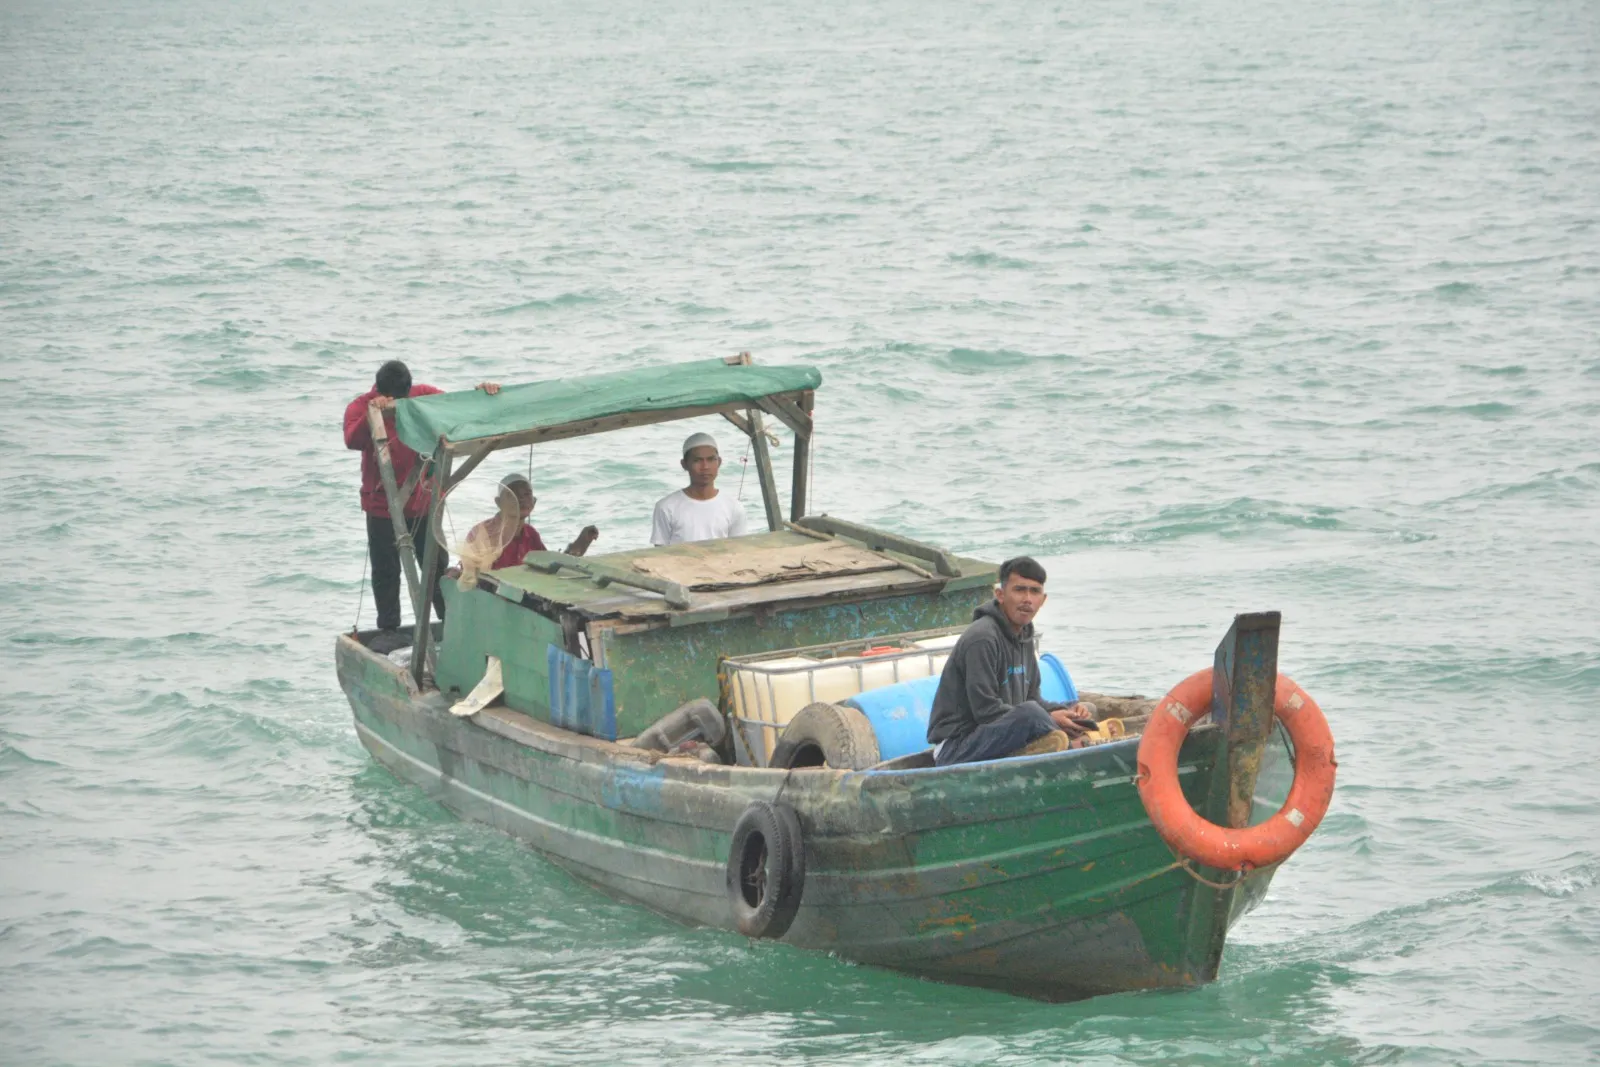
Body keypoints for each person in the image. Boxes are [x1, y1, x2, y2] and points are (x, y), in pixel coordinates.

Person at [344, 360, 499, 632]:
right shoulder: (362, 404)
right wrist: (374, 412)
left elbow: (455, 406)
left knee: (436, 569)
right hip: (382, 509)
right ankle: (389, 631)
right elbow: (351, 440)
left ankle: (449, 625)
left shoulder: (420, 394)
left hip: (424, 503)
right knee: (386, 574)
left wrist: (480, 392)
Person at [925, 556, 1097, 765]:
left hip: (1002, 733)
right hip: (957, 747)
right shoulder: (982, 638)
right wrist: (1049, 719)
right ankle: (1071, 747)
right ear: (1000, 595)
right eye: (1019, 590)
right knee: (1032, 715)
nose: (1027, 599)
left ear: (1043, 600)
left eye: (1034, 591)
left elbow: (1034, 699)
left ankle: (1064, 741)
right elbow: (986, 711)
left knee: (1086, 709)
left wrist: (1069, 711)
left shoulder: (1024, 637)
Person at [454, 473, 600, 583]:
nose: (521, 499)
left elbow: (548, 568)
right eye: (512, 495)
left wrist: (581, 543)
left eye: (526, 494)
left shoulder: (531, 534)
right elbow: (469, 577)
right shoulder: (482, 533)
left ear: (534, 502)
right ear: (498, 503)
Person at [649, 432, 750, 546]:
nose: (705, 467)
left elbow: (739, 551)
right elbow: (659, 555)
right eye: (697, 460)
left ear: (719, 462)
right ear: (684, 464)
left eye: (711, 459)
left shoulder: (734, 507)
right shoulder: (666, 507)